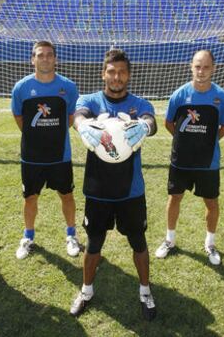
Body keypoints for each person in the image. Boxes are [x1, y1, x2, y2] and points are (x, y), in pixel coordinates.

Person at [70, 49, 157, 320]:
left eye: (121, 72)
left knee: (138, 242)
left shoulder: (140, 103)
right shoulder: (91, 100)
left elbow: (151, 122)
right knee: (94, 243)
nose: (116, 77)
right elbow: (79, 115)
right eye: (111, 71)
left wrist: (144, 126)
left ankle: (145, 291)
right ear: (103, 73)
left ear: (128, 75)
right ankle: (86, 291)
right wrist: (82, 125)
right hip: (97, 190)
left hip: (131, 190)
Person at [155, 50, 224, 266]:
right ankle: (169, 240)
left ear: (214, 69)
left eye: (206, 66)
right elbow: (169, 123)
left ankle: (210, 243)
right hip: (181, 160)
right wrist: (184, 140)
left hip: (208, 162)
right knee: (175, 197)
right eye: (198, 66)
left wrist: (210, 140)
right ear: (191, 67)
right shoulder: (179, 95)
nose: (201, 71)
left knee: (211, 202)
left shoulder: (222, 97)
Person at [11, 41, 80, 259]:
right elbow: (18, 116)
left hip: (60, 155)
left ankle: (71, 235)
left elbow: (71, 117)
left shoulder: (68, 87)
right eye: (40, 55)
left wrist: (54, 133)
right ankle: (28, 237)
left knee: (67, 195)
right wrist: (35, 136)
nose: (45, 59)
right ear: (33, 59)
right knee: (30, 197)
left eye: (50, 55)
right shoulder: (21, 88)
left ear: (56, 59)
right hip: (31, 157)